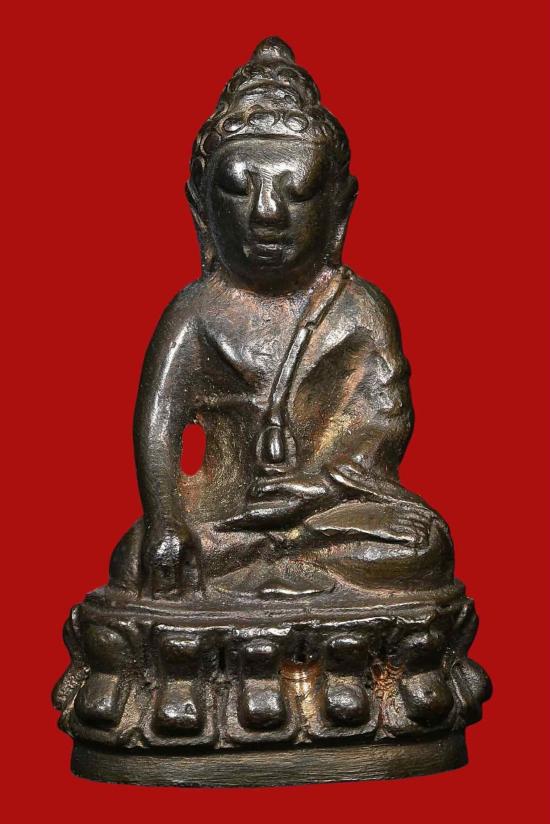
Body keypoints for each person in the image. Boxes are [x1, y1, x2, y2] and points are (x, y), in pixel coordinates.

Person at [109, 37, 453, 601]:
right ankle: (268, 559)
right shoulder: (194, 313)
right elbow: (157, 423)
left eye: (297, 192)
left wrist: (317, 491)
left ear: (339, 210)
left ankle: (274, 557)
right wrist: (168, 519)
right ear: (201, 209)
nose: (267, 213)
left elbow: (381, 430)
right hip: (226, 515)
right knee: (137, 556)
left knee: (421, 546)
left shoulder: (359, 311)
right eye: (239, 190)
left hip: (326, 510)